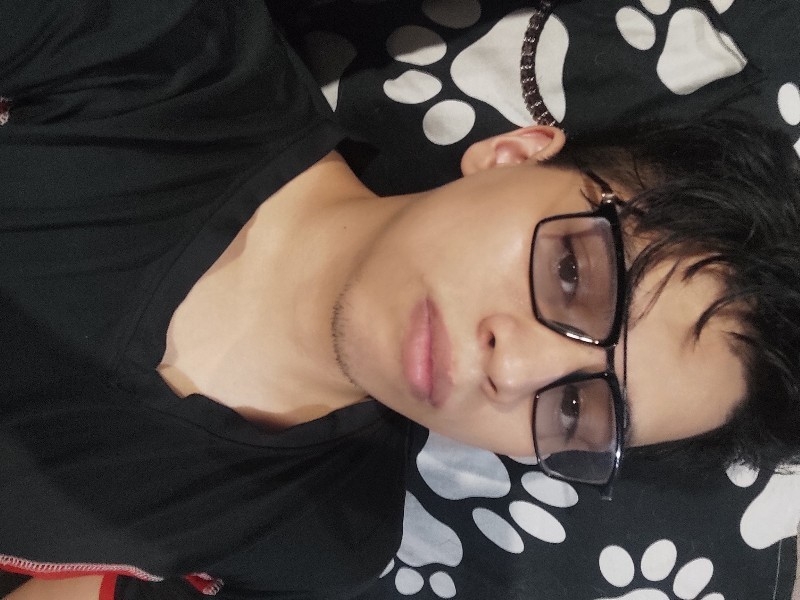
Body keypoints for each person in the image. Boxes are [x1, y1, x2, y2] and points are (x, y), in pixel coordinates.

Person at [2, 0, 799, 599]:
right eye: (572, 275)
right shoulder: (164, 49)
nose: (516, 369)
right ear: (514, 153)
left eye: (574, 408)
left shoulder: (322, 539)